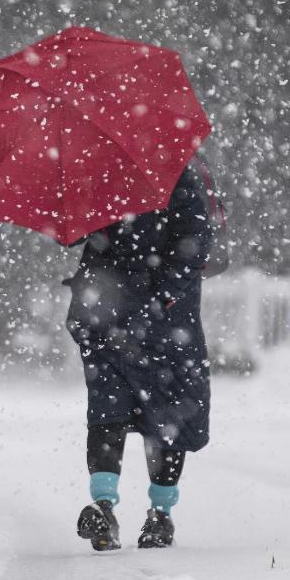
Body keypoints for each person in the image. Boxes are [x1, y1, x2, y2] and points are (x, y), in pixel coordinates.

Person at [64, 159, 214, 551]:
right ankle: (103, 506)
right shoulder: (93, 170)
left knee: (167, 415)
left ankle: (160, 515)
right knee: (107, 409)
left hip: (163, 323)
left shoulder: (178, 174)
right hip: (106, 316)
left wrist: (161, 294)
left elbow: (195, 240)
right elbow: (77, 236)